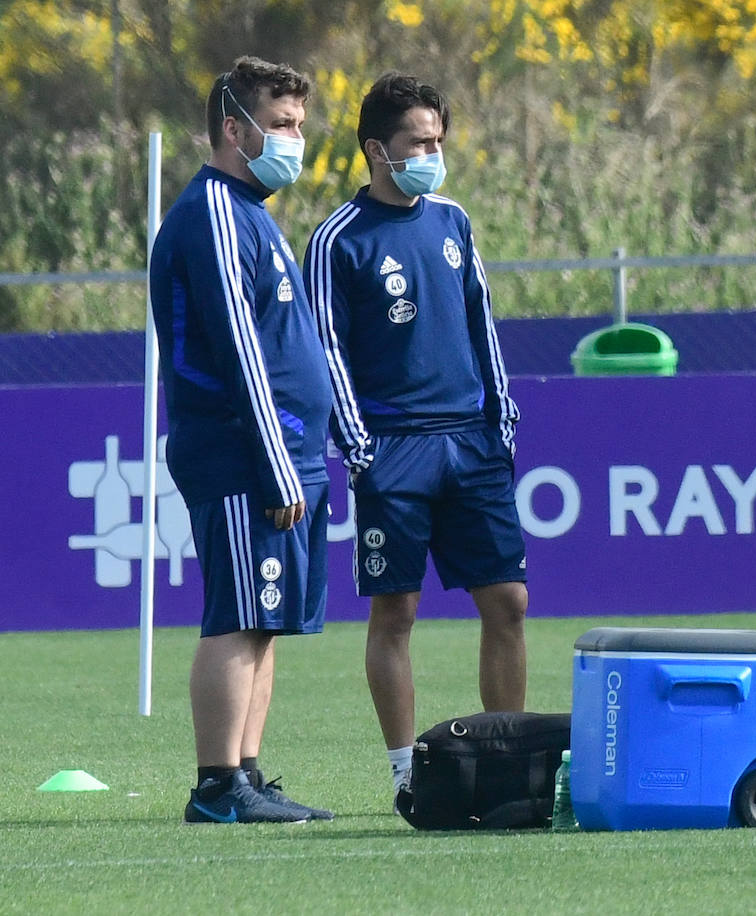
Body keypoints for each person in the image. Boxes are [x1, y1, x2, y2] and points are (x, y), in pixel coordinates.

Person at [305, 72, 528, 802]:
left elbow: (480, 320)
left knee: (508, 602)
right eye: (417, 142)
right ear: (377, 149)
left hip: (470, 439)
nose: (432, 153)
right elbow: (326, 348)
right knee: (396, 613)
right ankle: (407, 772)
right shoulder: (338, 238)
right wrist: (359, 445)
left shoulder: (453, 221)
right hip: (393, 447)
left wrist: (502, 413)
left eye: (438, 140)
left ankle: (508, 762)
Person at [149, 56, 335, 823]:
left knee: (264, 616)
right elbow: (237, 349)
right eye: (283, 124)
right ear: (236, 128)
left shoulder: (253, 214)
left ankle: (248, 776)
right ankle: (217, 787)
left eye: (299, 123)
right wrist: (274, 462)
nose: (296, 139)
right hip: (239, 451)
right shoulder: (216, 214)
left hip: (279, 453)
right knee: (235, 613)